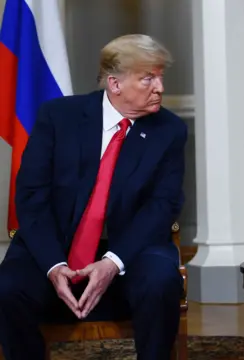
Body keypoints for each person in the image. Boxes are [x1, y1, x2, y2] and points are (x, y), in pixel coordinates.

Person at [0, 34, 187, 360]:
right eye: (148, 78)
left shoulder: (168, 130)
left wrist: (112, 262)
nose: (159, 87)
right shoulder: (58, 117)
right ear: (115, 84)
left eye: (160, 77)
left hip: (130, 247)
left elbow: (163, 204)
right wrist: (54, 264)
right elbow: (31, 196)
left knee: (160, 282)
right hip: (55, 246)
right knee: (7, 289)